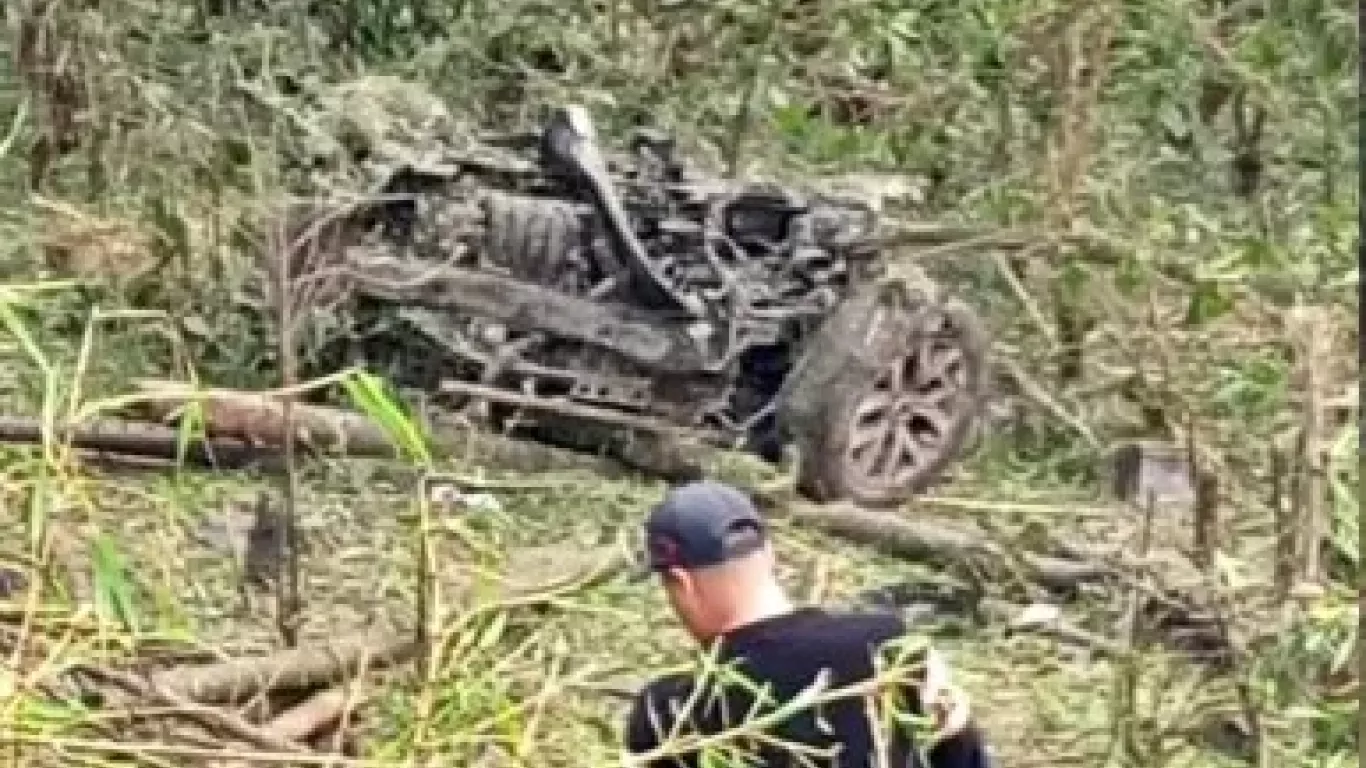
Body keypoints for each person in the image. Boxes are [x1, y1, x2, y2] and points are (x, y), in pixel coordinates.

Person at [625, 480, 993, 768]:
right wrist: (961, 731)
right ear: (770, 555)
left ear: (681, 583)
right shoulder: (887, 649)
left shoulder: (672, 712)